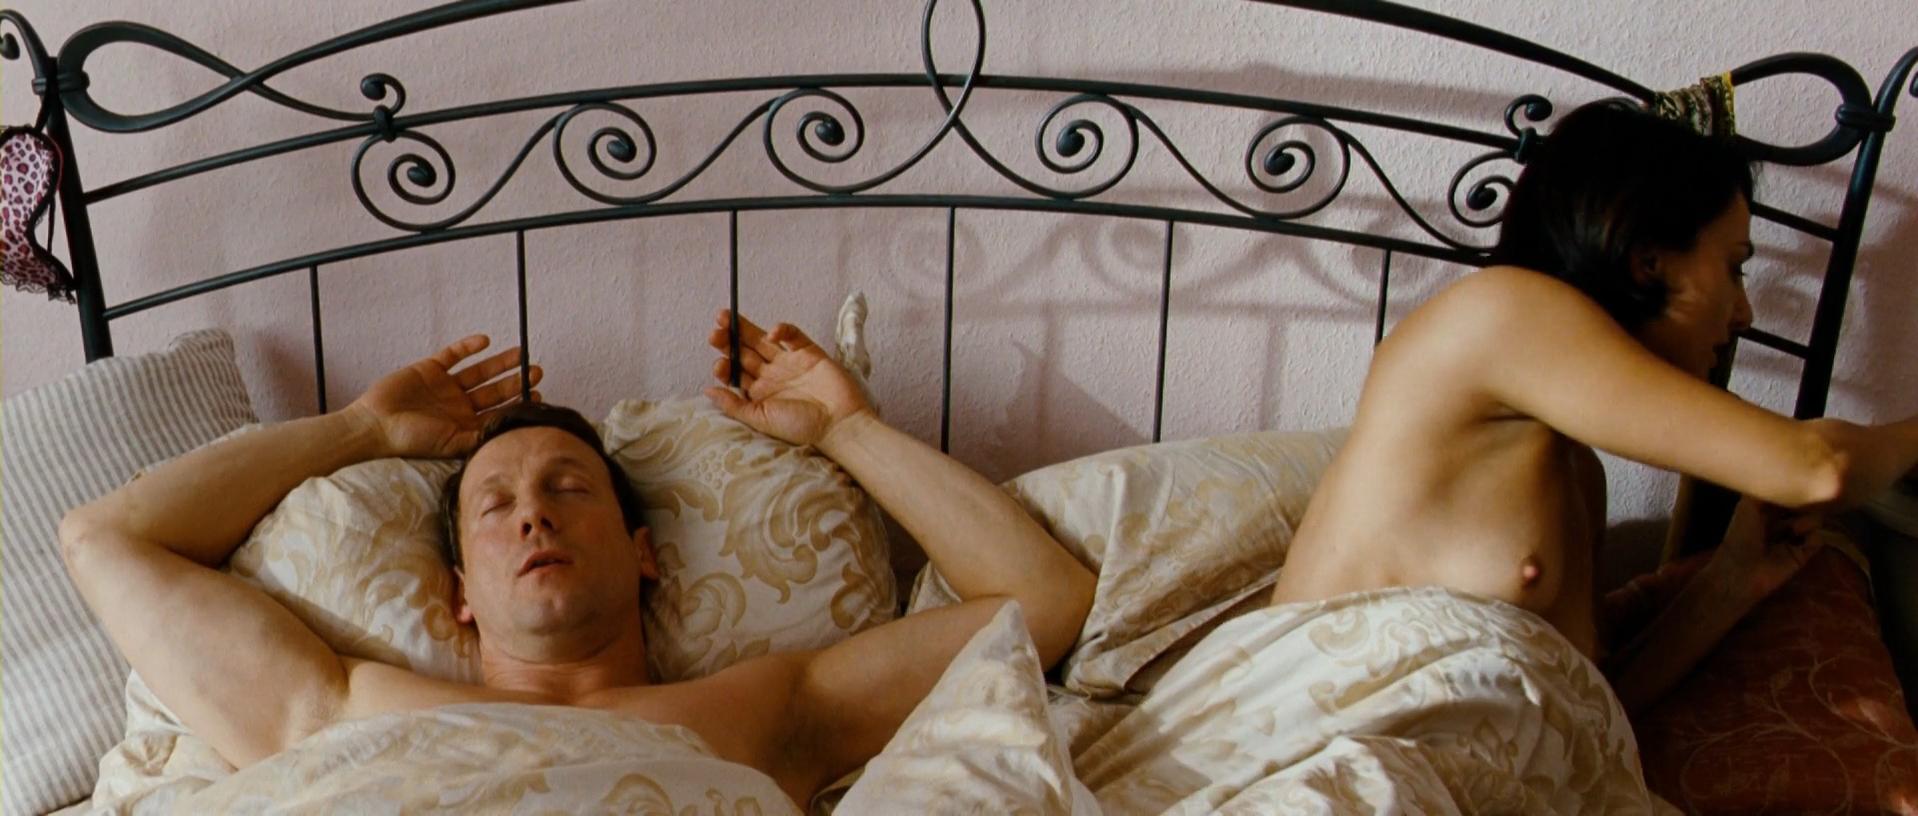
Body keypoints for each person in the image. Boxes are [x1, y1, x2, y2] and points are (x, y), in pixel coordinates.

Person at [59, 316, 1097, 808]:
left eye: (569, 488)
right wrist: (357, 431)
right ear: (459, 594)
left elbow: (1042, 599)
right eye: (495, 505)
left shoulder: (769, 709)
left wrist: (844, 430)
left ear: (644, 554)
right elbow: (104, 541)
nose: (534, 518)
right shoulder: (339, 707)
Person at [1267, 100, 1918, 714]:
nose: (1743, 312)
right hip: (1332, 738)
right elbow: (1818, 467)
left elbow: (1594, 705)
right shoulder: (1501, 311)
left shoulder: (1576, 471)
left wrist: (1732, 579)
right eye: (1733, 266)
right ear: (1647, 262)